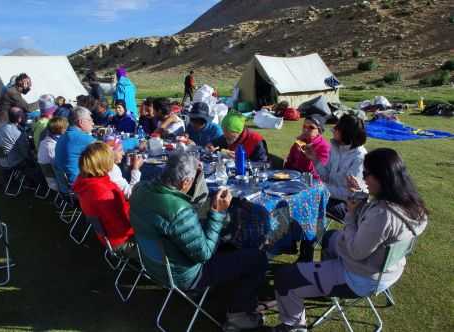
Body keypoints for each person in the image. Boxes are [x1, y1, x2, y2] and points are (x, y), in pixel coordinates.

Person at [272, 148, 428, 332]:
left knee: (284, 277)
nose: (364, 178)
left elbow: (355, 251)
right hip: (386, 268)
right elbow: (374, 228)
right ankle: (323, 285)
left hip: (360, 277)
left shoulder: (383, 215)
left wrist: (352, 215)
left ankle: (294, 326)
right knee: (329, 237)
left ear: (382, 177)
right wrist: (360, 195)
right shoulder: (412, 205)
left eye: (366, 174)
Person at [130, 152, 268, 331]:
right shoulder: (178, 211)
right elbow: (205, 254)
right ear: (186, 182)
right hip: (185, 276)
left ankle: (226, 293)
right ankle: (239, 316)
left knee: (229, 243)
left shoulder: (140, 190)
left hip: (152, 265)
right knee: (257, 258)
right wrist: (217, 213)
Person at [73, 142, 135, 250]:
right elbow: (126, 222)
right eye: (110, 157)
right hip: (120, 241)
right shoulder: (105, 192)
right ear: (104, 163)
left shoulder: (84, 181)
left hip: (106, 237)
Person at [304, 114, 367, 220]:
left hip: (348, 205)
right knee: (304, 193)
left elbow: (349, 193)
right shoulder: (336, 148)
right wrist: (314, 159)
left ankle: (310, 233)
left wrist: (320, 188)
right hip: (331, 195)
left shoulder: (360, 157)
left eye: (337, 128)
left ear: (346, 133)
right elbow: (326, 175)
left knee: (309, 199)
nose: (333, 129)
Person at [54, 107, 96, 185]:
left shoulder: (63, 136)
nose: (93, 123)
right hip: (79, 185)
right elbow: (105, 153)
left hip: (63, 184)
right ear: (81, 122)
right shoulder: (83, 138)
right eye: (90, 120)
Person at [284, 114, 330, 179]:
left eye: (311, 127)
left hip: (312, 183)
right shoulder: (301, 141)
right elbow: (289, 162)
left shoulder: (324, 147)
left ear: (319, 131)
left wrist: (305, 155)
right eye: (304, 126)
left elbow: (318, 175)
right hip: (293, 178)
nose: (305, 130)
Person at [37, 117, 69, 191]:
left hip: (53, 179)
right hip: (59, 183)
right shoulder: (52, 146)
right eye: (66, 128)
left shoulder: (44, 141)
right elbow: (61, 168)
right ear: (61, 130)